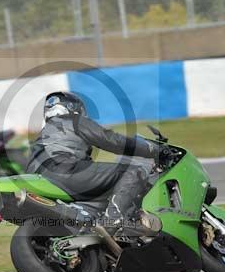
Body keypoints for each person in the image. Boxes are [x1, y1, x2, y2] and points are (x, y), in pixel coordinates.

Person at [27, 92, 162, 232]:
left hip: (39, 179)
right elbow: (111, 140)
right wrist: (151, 148)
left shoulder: (42, 134)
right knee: (133, 171)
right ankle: (112, 221)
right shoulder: (72, 120)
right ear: (73, 107)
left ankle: (88, 227)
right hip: (65, 171)